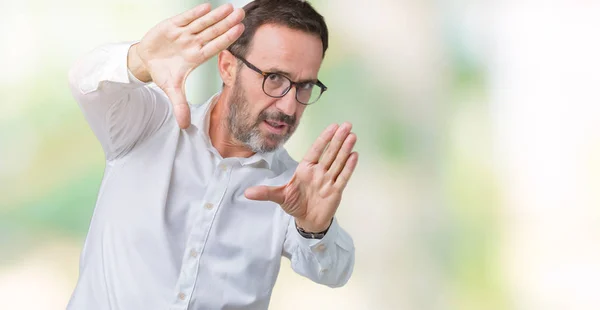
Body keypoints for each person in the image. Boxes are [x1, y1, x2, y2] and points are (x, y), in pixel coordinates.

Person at [66, 0, 358, 309]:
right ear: (228, 67)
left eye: (305, 86)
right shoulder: (149, 126)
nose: (289, 107)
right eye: (274, 78)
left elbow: (335, 270)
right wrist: (139, 58)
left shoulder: (289, 190)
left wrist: (315, 230)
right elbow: (85, 83)